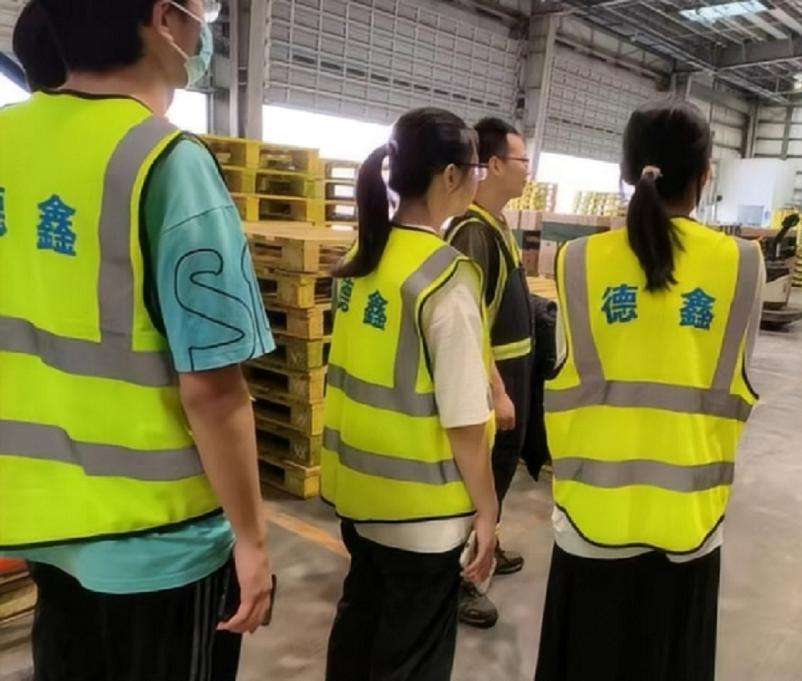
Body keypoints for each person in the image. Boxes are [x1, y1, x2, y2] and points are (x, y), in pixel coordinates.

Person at [0, 1, 274, 679]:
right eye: (199, 11)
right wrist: (252, 537)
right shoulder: (167, 160)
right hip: (156, 539)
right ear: (164, 21)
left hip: (37, 516)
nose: (203, 27)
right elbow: (213, 392)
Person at [534, 99, 765, 681]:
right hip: (689, 528)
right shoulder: (743, 265)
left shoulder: (577, 261)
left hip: (590, 525)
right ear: (705, 173)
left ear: (628, 170)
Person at [319, 107, 499, 681]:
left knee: (360, 633)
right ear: (450, 176)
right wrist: (489, 509)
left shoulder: (364, 257)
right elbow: (465, 419)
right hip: (423, 515)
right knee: (411, 660)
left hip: (360, 498)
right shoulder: (445, 277)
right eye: (475, 169)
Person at [445, 117, 533, 628]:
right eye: (522, 160)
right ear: (495, 164)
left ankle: (486, 543)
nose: (528, 170)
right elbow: (470, 324)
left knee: (499, 474)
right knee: (477, 479)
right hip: (491, 378)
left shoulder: (497, 225)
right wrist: (496, 390)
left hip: (513, 370)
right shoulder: (471, 232)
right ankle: (461, 580)